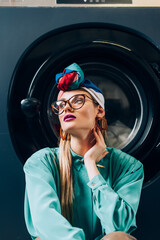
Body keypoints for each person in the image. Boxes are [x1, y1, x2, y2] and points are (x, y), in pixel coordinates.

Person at [23, 63, 144, 240]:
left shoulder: (129, 167)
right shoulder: (41, 162)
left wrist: (91, 167)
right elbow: (46, 222)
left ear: (99, 110)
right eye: (61, 104)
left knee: (118, 237)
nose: (67, 108)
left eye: (78, 100)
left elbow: (119, 227)